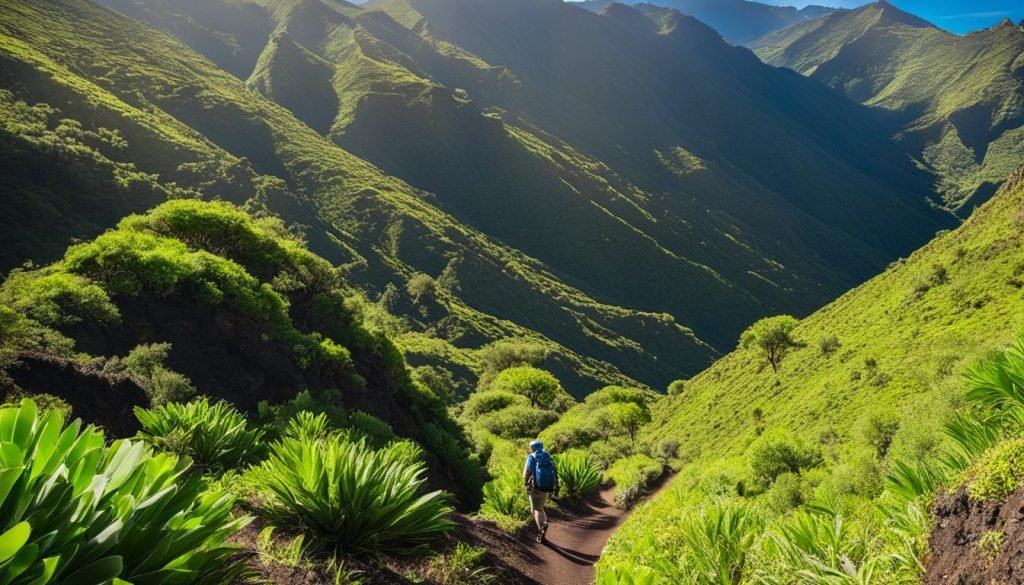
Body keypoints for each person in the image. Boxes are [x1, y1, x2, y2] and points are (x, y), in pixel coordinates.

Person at [523, 439, 558, 543]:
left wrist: (526, 483)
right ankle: (544, 523)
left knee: (536, 509)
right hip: (546, 486)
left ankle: (542, 528)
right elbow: (554, 471)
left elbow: (526, 473)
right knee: (540, 507)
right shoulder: (547, 456)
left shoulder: (531, 457)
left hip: (535, 487)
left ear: (532, 448)